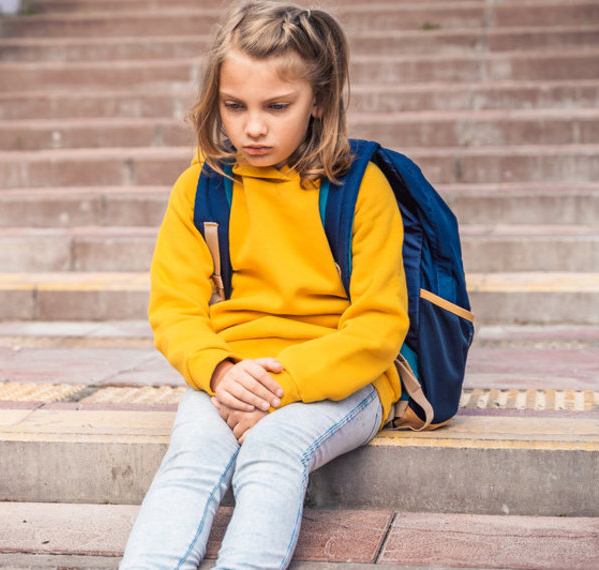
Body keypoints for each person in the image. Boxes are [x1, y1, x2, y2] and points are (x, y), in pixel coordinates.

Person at [120, 1, 410, 568]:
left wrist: (283, 388)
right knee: (189, 461)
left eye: (278, 106)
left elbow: (379, 326)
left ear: (319, 101)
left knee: (272, 451)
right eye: (235, 106)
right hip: (231, 374)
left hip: (341, 377)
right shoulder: (199, 190)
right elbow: (174, 310)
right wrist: (222, 372)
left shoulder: (360, 188)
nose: (253, 126)